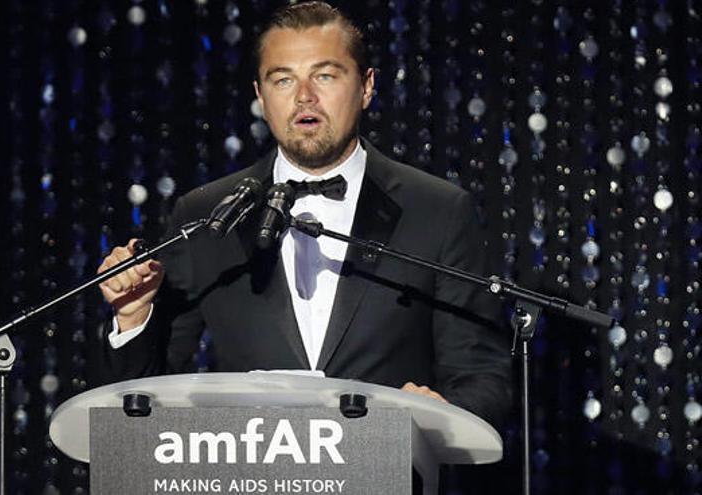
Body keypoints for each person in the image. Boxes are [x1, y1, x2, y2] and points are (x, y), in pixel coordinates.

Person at [91, 1, 512, 427]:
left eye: (325, 76)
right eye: (283, 79)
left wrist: (433, 416)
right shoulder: (206, 215)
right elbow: (142, 405)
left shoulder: (437, 210)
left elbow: (483, 379)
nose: (304, 97)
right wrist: (133, 318)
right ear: (260, 95)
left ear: (367, 86)